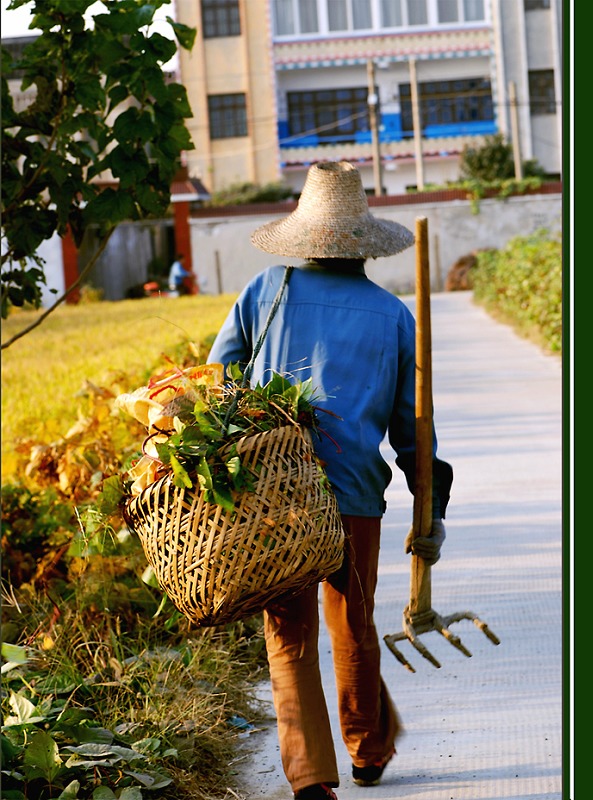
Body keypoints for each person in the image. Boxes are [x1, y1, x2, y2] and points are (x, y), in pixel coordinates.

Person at [207, 161, 453, 800]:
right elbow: (411, 428)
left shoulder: (267, 291)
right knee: (353, 621)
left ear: (303, 234)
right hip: (355, 495)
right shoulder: (394, 315)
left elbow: (217, 383)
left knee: (289, 635)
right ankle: (367, 751)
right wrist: (433, 506)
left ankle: (312, 780)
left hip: (276, 494)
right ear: (362, 241)